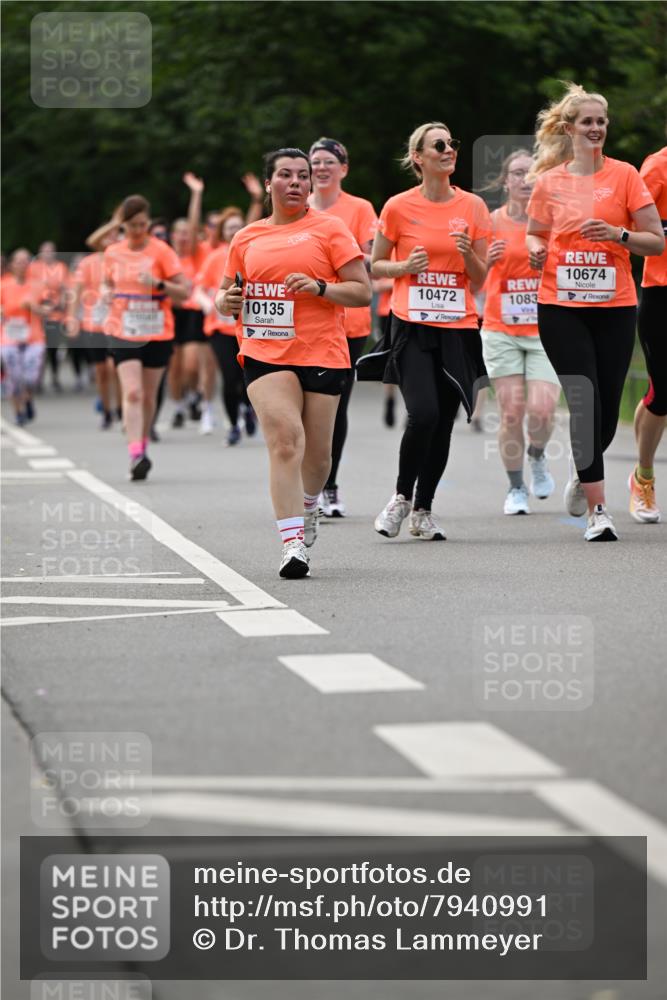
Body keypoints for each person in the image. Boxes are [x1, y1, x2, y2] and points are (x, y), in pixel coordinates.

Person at [215, 148, 370, 578]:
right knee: (285, 440)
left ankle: (309, 504)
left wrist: (320, 288)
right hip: (265, 349)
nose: (298, 182)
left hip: (322, 351)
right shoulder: (246, 237)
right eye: (286, 175)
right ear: (269, 184)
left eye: (303, 176)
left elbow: (361, 292)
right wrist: (225, 300)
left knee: (317, 460)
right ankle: (292, 544)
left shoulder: (330, 229)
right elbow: (223, 294)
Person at [526, 83, 664, 541]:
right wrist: (535, 251)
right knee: (584, 403)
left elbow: (656, 241)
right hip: (560, 307)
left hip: (616, 307)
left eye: (601, 121)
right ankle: (598, 509)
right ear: (569, 129)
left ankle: (584, 472)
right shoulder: (550, 181)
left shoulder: (626, 176)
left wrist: (618, 235)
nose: (596, 128)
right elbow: (535, 234)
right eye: (587, 121)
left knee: (604, 414)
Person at [368, 121, 490, 541]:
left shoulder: (473, 207)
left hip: (457, 328)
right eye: (439, 144)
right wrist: (404, 268)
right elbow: (375, 264)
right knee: (424, 413)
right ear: (418, 157)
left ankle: (424, 509)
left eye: (452, 143)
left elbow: (479, 279)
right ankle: (401, 497)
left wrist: (467, 254)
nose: (449, 149)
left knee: (445, 423)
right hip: (412, 325)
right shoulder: (399, 206)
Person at [479, 150, 561, 514]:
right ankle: (515, 488)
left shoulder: (554, 221)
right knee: (511, 413)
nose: (525, 180)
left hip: (546, 328)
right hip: (502, 328)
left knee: (542, 411)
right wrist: (486, 261)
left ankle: (538, 455)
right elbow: (472, 279)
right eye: (517, 173)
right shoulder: (491, 222)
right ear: (505, 180)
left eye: (532, 173)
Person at [308, 137, 378, 517]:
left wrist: (338, 260)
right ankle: (310, 486)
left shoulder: (359, 208)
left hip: (349, 324)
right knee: (306, 408)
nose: (320, 168)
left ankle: (330, 486)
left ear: (343, 169)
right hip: (306, 321)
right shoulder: (298, 210)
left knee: (336, 406)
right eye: (315, 162)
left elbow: (372, 258)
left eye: (328, 162)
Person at [102, 194, 188, 480]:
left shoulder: (161, 251)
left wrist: (158, 284)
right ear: (123, 225)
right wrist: (104, 292)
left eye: (143, 224)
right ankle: (135, 453)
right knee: (133, 392)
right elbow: (106, 282)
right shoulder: (113, 252)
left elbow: (184, 291)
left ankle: (143, 442)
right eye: (133, 225)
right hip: (123, 330)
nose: (139, 230)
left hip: (157, 330)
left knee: (149, 395)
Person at [195, 206, 256, 442]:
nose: (235, 231)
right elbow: (198, 289)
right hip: (220, 329)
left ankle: (248, 409)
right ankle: (233, 424)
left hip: (251, 327)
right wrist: (207, 303)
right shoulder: (214, 258)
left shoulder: (255, 252)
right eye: (230, 228)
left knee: (248, 377)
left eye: (239, 227)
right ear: (223, 233)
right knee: (229, 378)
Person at [629, 144, 667, 522]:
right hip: (661, 291)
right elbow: (635, 224)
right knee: (664, 393)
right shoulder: (657, 166)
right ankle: (643, 477)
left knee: (660, 392)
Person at [66, 222, 121, 429]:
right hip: (94, 323)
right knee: (101, 371)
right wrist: (71, 318)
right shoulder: (87, 263)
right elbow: (76, 293)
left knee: (114, 367)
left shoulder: (122, 261)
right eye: (107, 236)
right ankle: (106, 410)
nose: (110, 240)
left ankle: (121, 409)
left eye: (115, 236)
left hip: (117, 323)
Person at [1, 248, 46, 424]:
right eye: (18, 261)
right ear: (12, 265)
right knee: (13, 376)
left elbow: (48, 310)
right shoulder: (3, 285)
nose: (22, 264)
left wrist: (33, 307)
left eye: (26, 260)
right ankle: (18, 412)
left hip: (33, 337)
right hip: (9, 337)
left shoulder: (38, 286)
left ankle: (27, 398)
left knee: (30, 377)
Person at [28, 241, 68, 391]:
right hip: (37, 315)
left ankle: (55, 376)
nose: (48, 254)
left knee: (52, 348)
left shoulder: (60, 267)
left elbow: (65, 289)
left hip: (54, 314)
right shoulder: (33, 268)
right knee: (39, 349)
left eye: (51, 251)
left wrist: (62, 304)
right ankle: (37, 379)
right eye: (45, 251)